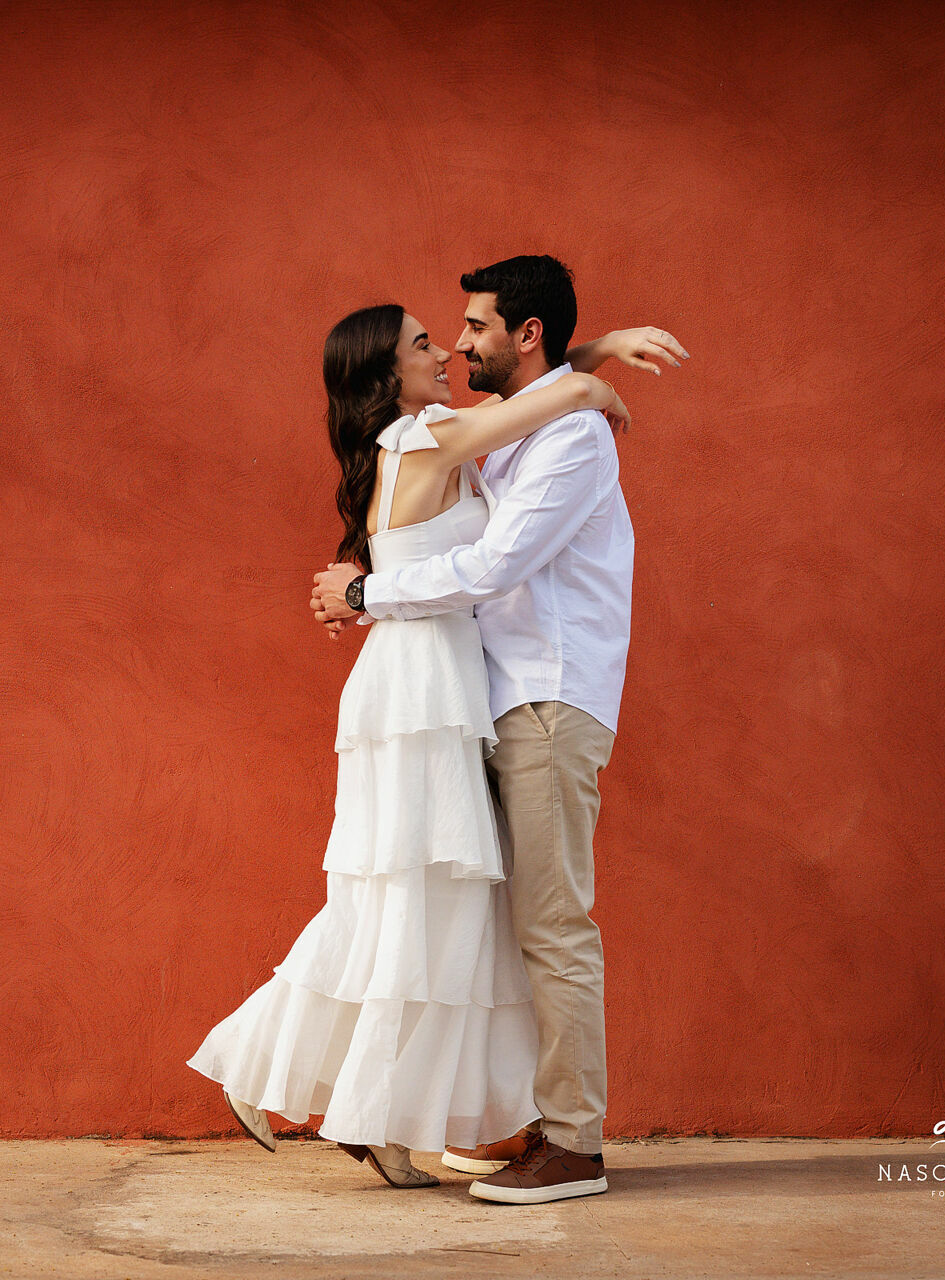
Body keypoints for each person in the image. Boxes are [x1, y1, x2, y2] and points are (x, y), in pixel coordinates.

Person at [187, 297, 662, 1188]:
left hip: (433, 684)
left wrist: (589, 355)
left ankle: (367, 1107)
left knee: (419, 904)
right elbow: (535, 399)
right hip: (422, 694)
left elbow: (525, 390)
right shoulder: (426, 436)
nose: (444, 349)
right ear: (386, 376)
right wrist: (594, 377)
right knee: (411, 902)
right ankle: (279, 1068)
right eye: (421, 344)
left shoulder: (417, 438)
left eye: (453, 335)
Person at [312, 255, 686, 1203]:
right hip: (493, 700)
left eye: (473, 326)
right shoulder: (526, 420)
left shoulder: (572, 441)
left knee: (552, 923)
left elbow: (491, 566)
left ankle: (573, 1143)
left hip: (547, 702)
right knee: (494, 921)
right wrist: (589, 356)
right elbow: (512, 406)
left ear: (521, 335)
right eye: (446, 333)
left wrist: (365, 593)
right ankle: (521, 1117)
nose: (458, 341)